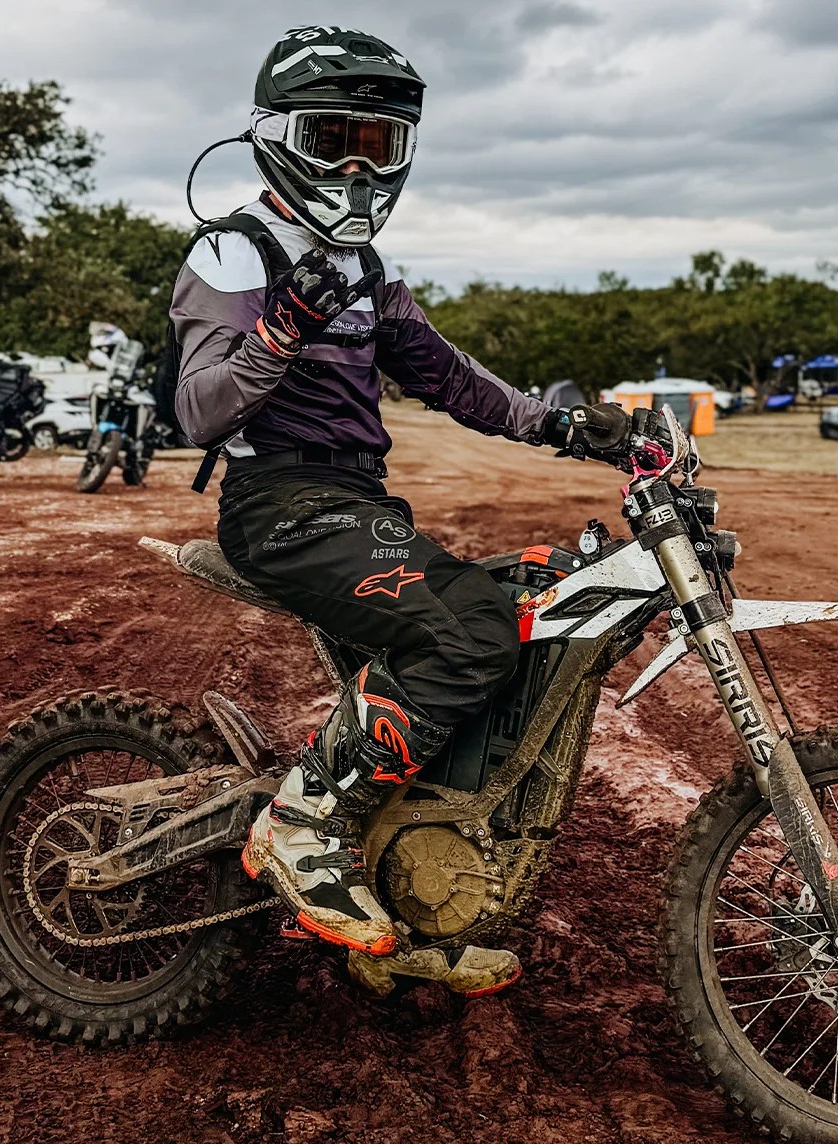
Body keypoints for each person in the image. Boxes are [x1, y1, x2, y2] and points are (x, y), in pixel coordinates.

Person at [170, 27, 630, 996]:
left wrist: (567, 427)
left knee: (520, 611)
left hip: (355, 503)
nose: (356, 168)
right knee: (469, 631)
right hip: (279, 505)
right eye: (334, 139)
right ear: (278, 136)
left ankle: (411, 890)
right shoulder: (236, 251)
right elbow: (199, 410)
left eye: (377, 145)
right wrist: (280, 330)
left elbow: (452, 378)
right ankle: (303, 823)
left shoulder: (366, 272)